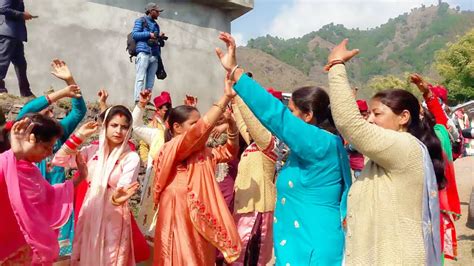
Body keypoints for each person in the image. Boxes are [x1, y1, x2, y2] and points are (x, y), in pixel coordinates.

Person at [216, 33, 352, 265]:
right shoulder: (309, 147)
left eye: (291, 111)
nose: (287, 115)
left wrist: (236, 71)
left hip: (312, 248)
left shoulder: (320, 143)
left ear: (308, 116)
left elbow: (274, 116)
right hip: (302, 243)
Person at [325, 39, 444, 265]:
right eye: (369, 113)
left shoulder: (404, 146)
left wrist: (336, 65)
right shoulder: (385, 155)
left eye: (377, 114)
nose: (369, 119)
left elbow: (350, 123)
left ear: (404, 118)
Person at [152, 79, 242, 265]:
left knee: (200, 256)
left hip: (199, 213)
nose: (200, 127)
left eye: (198, 123)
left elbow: (229, 152)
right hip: (178, 210)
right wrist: (225, 97)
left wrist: (232, 126)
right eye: (193, 123)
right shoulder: (174, 147)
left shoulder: (203, 152)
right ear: (177, 128)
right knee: (179, 256)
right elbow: (199, 132)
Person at [52, 106, 140, 265]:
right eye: (114, 125)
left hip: (113, 215)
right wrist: (79, 136)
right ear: (105, 126)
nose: (119, 131)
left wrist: (117, 198)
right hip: (90, 211)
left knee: (110, 258)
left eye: (124, 127)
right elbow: (59, 160)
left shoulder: (131, 158)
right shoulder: (92, 151)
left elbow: (123, 186)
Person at [16, 59, 87, 257]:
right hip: (28, 204)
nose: (52, 113)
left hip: (55, 201)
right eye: (47, 111)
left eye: (52, 111)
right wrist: (60, 94)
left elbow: (80, 111)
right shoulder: (21, 137)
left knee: (57, 255)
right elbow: (27, 111)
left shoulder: (58, 133)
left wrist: (69, 81)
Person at [0, 115, 85, 264]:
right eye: (46, 147)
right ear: (31, 140)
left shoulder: (31, 170)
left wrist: (79, 178)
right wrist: (16, 153)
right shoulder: (8, 166)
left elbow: (50, 196)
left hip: (26, 248)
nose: (49, 153)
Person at [411, 73, 461, 260]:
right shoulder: (406, 139)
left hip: (427, 207)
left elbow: (440, 118)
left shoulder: (436, 134)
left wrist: (427, 94)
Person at [231, 90, 282, 266]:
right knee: (239, 255)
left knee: (254, 257)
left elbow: (252, 124)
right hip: (245, 207)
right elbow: (244, 123)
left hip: (258, 210)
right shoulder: (255, 143)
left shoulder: (272, 143)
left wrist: (239, 95)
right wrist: (233, 98)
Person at [0, 0, 36, 97]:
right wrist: (22, 14)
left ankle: (26, 92)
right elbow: (2, 8)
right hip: (8, 33)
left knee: (21, 64)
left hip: (15, 35)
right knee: (2, 62)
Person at [132, 3, 166, 102]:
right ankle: (138, 100)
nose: (159, 13)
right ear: (151, 11)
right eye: (157, 11)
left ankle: (146, 100)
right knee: (140, 78)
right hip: (143, 52)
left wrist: (160, 38)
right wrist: (149, 34)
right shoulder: (141, 21)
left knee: (150, 81)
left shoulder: (156, 25)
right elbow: (135, 34)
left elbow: (156, 39)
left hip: (154, 55)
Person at [137, 90, 171, 165]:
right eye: (165, 110)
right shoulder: (152, 126)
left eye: (169, 110)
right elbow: (143, 145)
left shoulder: (172, 124)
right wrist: (146, 159)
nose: (168, 112)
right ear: (158, 110)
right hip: (155, 161)